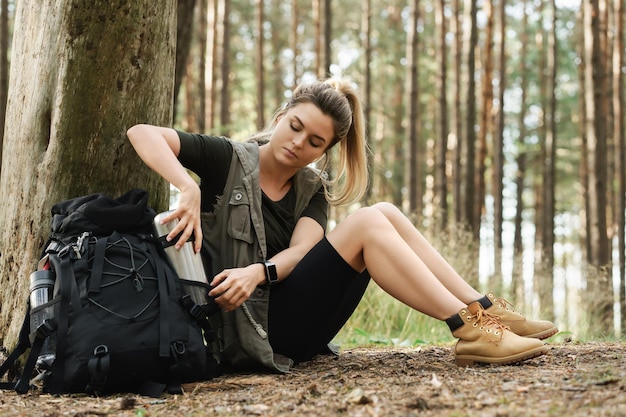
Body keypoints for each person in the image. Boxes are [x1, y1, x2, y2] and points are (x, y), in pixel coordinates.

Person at [127, 77, 558, 371]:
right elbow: (142, 132)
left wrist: (258, 271)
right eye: (294, 127)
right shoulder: (227, 158)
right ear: (281, 117)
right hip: (246, 331)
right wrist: (187, 186)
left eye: (315, 141)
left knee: (383, 212)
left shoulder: (310, 188)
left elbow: (301, 253)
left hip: (294, 323)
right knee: (371, 221)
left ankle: (482, 311)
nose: (298, 144)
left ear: (325, 149)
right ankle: (468, 328)